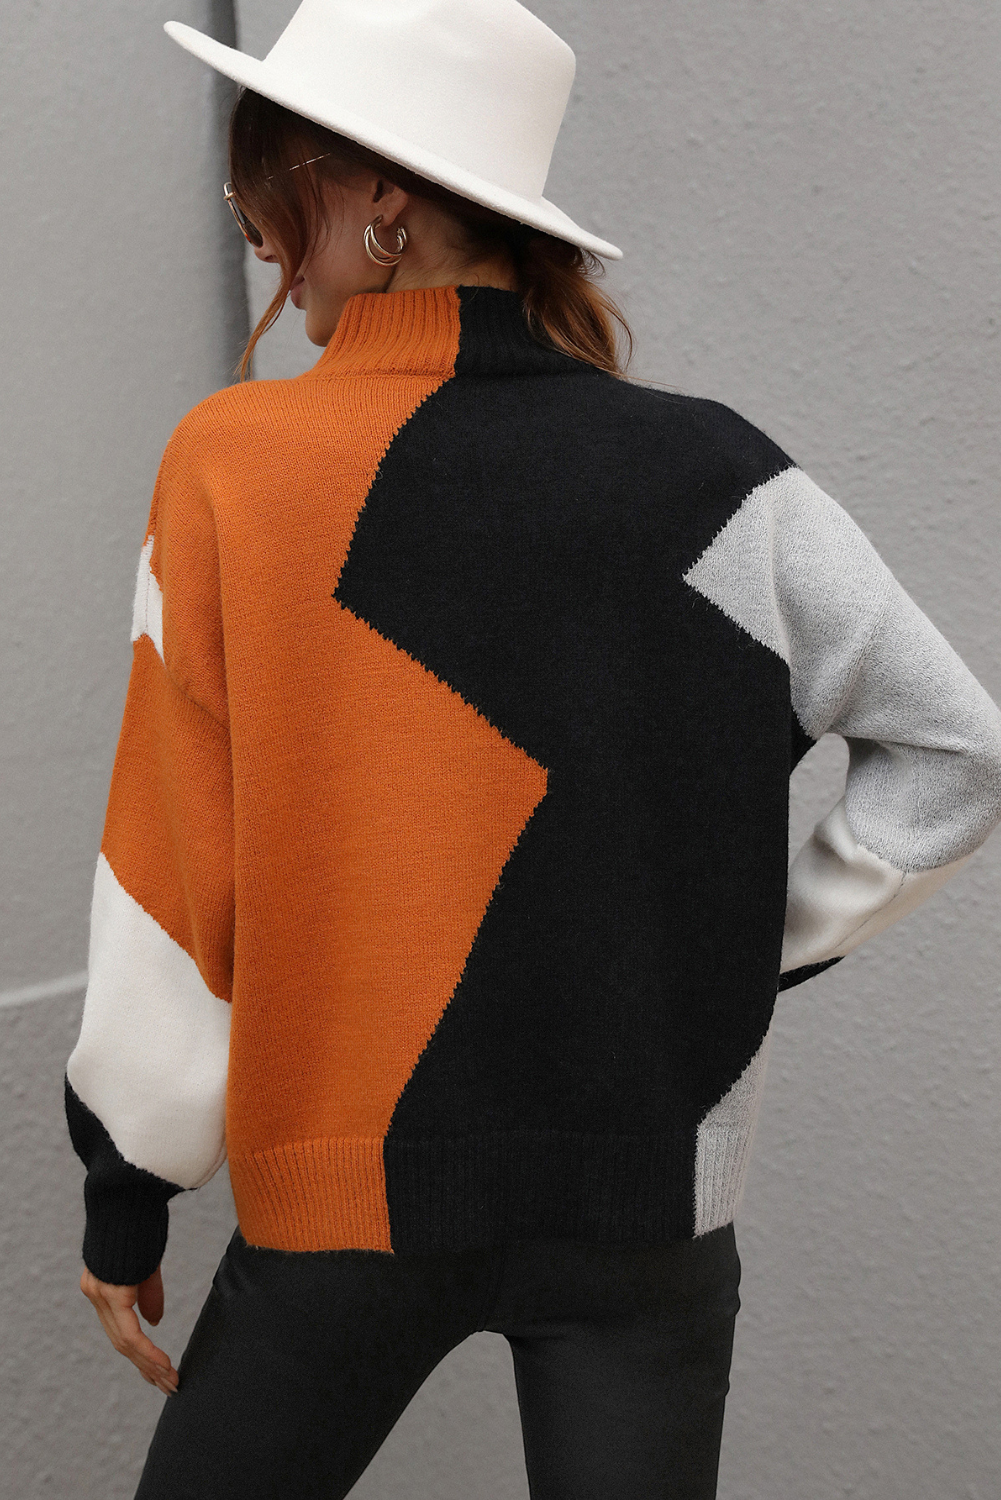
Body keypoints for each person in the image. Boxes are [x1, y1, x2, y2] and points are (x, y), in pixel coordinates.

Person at [63, 2, 1001, 1497]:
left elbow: (172, 874)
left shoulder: (238, 466)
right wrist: (734, 948)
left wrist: (128, 1189)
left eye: (265, 196)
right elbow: (956, 752)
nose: (262, 241)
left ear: (379, 195)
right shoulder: (718, 471)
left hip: (345, 1200)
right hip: (648, 1204)